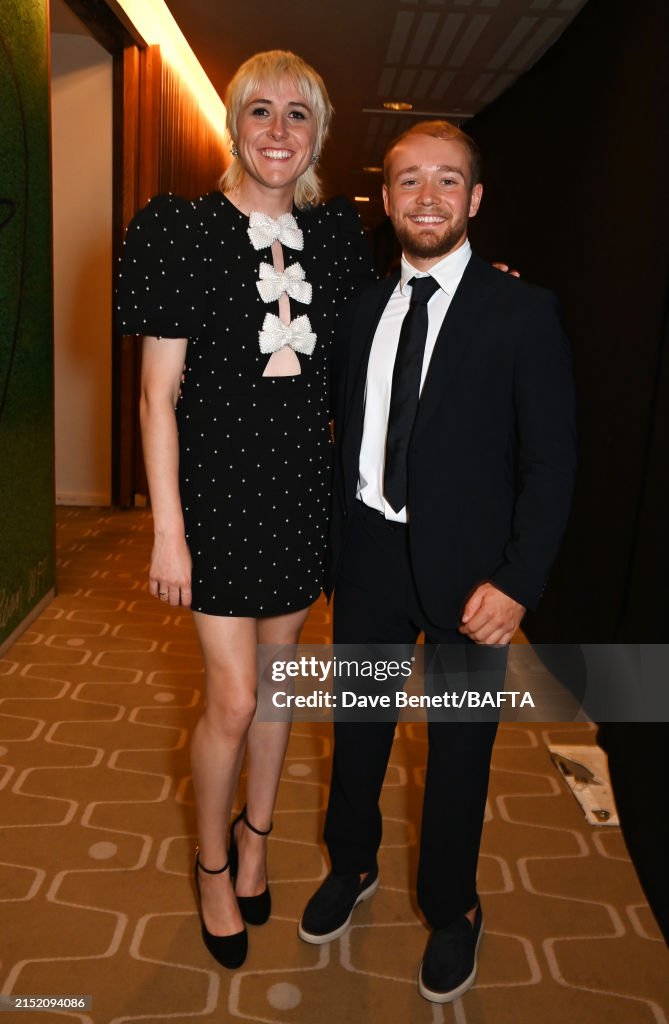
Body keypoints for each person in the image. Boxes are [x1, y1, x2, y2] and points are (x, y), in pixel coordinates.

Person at [298, 120, 577, 1003]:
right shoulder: (361, 308)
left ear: (475, 198)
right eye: (409, 180)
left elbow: (551, 462)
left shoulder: (522, 312)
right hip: (371, 556)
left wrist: (519, 583)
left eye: (446, 181)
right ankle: (352, 865)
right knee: (358, 733)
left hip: (473, 579)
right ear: (384, 200)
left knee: (457, 753)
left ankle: (452, 909)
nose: (427, 196)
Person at [115, 50, 373, 969]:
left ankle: (259, 835)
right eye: (259, 111)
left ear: (318, 136)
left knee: (277, 687)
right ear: (233, 125)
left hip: (303, 494)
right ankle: (214, 863)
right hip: (218, 503)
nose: (276, 131)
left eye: (296, 116)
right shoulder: (179, 232)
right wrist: (168, 533)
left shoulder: (338, 239)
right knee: (230, 699)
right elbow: (157, 398)